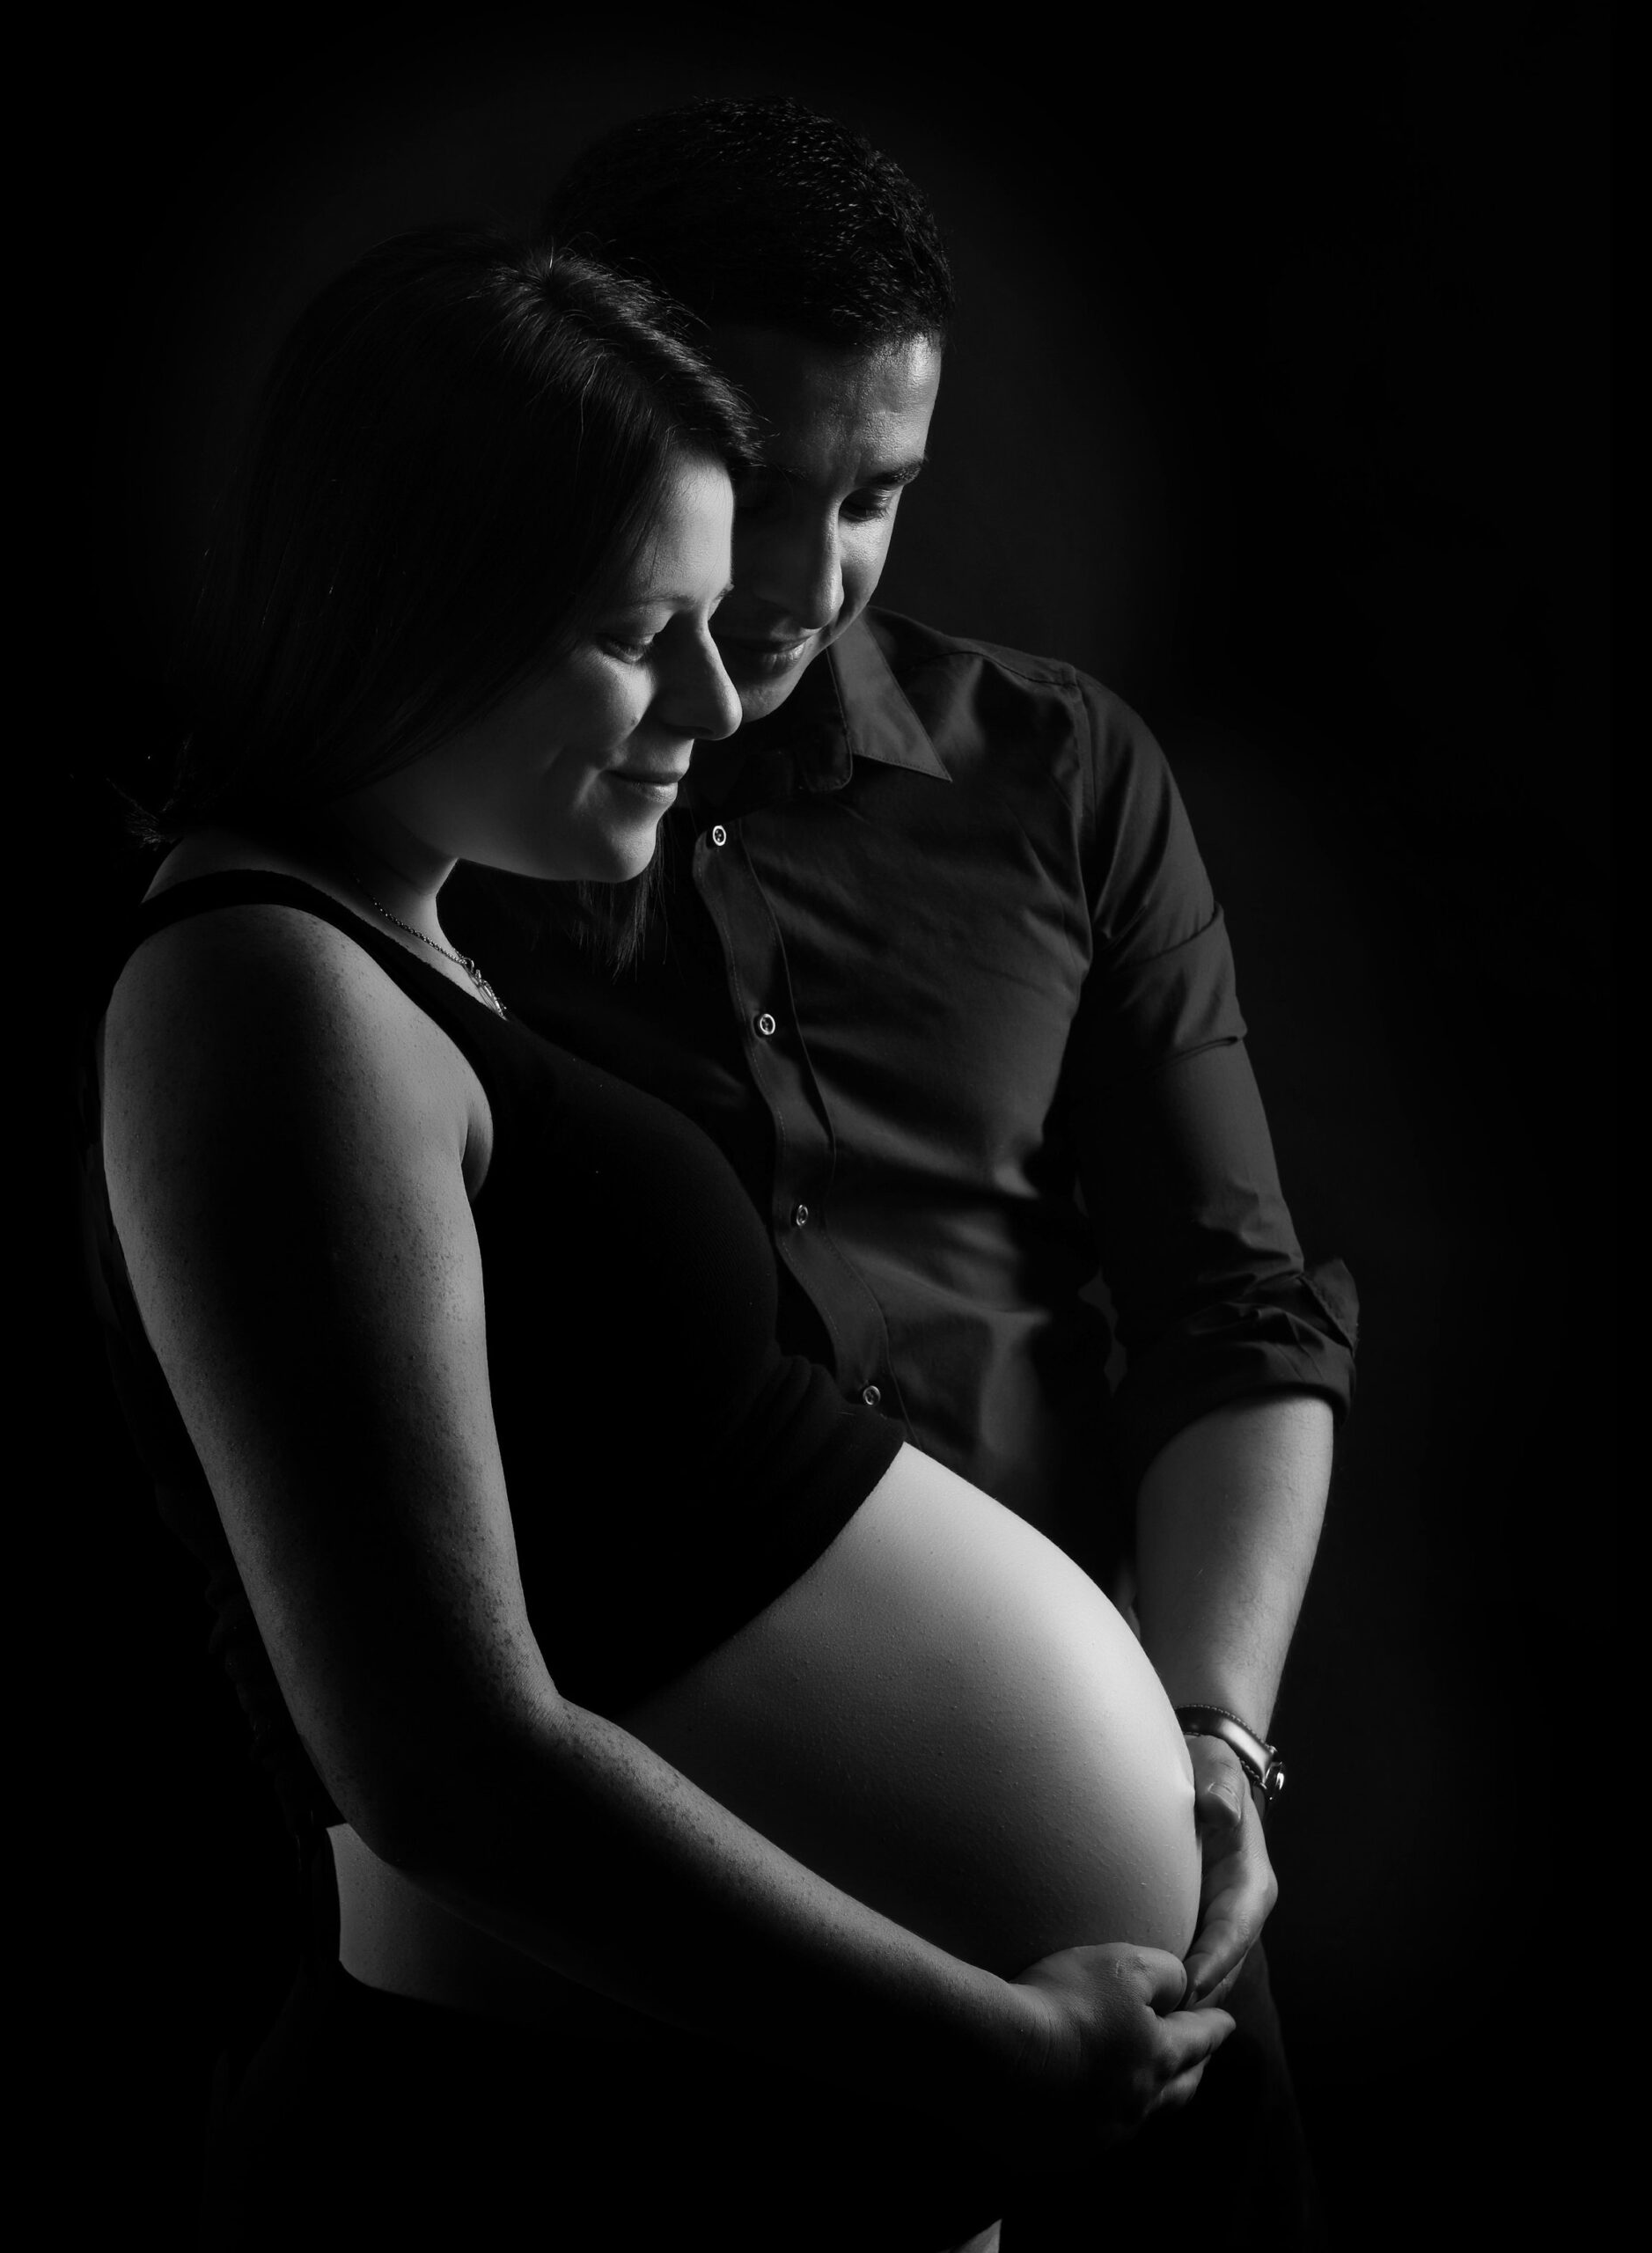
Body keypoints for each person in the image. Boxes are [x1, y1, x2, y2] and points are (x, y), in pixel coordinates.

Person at [78, 229, 1234, 2252]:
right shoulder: (263, 992)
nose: (718, 695)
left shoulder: (403, 947)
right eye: (642, 634)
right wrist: (976, 2042)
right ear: (411, 608)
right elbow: (440, 1752)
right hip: (546, 2142)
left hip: (714, 2117)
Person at [444, 99, 1361, 2250]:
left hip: (1141, 1963)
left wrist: (1211, 1745)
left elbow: (1231, 1310)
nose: (811, 576)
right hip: (648, 1951)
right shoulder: (449, 846)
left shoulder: (1060, 778)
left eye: (874, 496)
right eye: (758, 486)